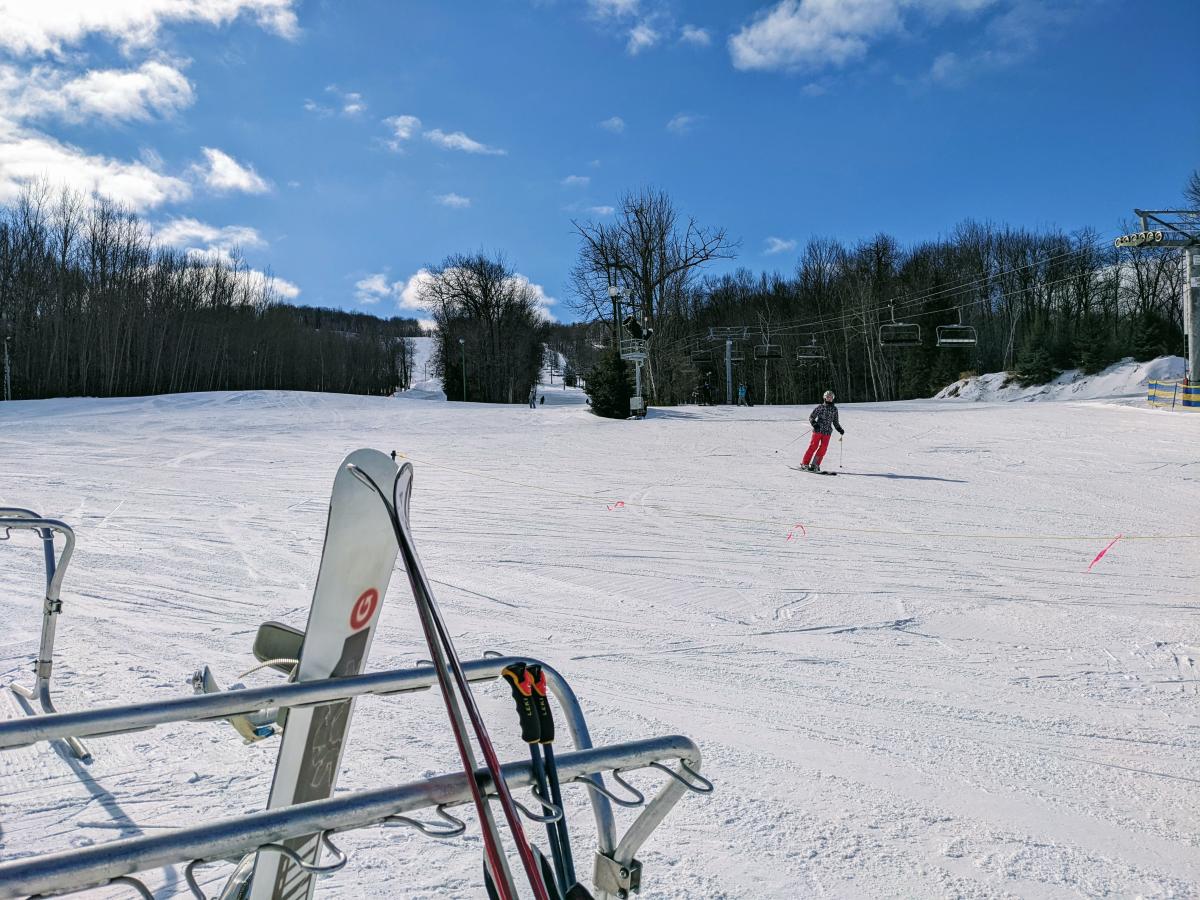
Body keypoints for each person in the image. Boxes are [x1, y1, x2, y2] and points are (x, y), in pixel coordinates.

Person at [801, 390, 844, 472]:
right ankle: (804, 463)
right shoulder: (820, 407)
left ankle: (815, 465)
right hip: (818, 430)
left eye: (831, 397)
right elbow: (811, 417)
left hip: (827, 432)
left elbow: (835, 421)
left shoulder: (834, 409)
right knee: (813, 446)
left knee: (823, 449)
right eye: (828, 397)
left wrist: (839, 429)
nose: (829, 398)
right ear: (825, 397)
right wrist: (814, 424)